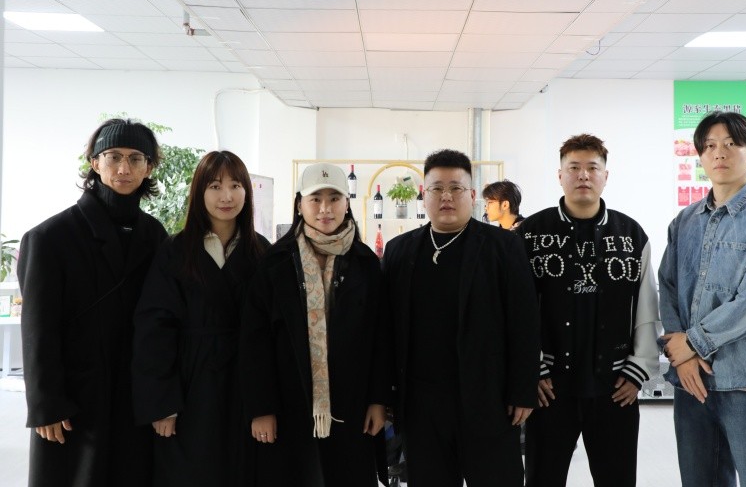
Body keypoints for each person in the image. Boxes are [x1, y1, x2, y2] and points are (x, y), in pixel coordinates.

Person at [17, 118, 169, 487]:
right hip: (74, 401)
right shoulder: (50, 237)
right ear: (94, 162)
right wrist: (45, 403)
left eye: (136, 158)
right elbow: (38, 328)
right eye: (113, 156)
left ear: (149, 168)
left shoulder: (155, 236)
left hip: (134, 396)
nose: (124, 169)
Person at [658, 111, 746, 487]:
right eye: (709, 146)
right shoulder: (685, 221)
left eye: (730, 144)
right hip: (692, 382)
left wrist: (691, 343)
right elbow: (667, 287)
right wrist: (682, 355)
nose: (718, 153)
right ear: (701, 156)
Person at [381, 149, 540, 487]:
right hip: (421, 406)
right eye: (437, 188)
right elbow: (386, 329)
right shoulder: (399, 250)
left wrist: (523, 389)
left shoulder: (503, 247)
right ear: (424, 195)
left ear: (471, 194)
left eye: (456, 188)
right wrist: (387, 394)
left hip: (489, 399)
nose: (446, 196)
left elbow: (524, 321)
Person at [518, 133, 661, 487]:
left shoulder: (631, 235)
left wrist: (639, 369)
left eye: (592, 168)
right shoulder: (529, 234)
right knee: (542, 478)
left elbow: (647, 306)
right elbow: (516, 310)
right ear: (560, 175)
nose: (583, 175)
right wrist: (530, 368)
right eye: (574, 167)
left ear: (605, 176)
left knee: (617, 478)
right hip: (549, 386)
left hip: (615, 384)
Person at [240, 163, 390, 486]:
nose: (325, 209)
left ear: (347, 204)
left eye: (334, 198)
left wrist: (378, 400)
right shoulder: (275, 263)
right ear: (299, 205)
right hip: (289, 405)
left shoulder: (366, 263)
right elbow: (255, 340)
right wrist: (261, 408)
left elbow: (381, 337)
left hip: (352, 406)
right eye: (315, 199)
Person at [132, 151, 269, 487]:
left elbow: (272, 333)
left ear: (247, 191)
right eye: (215, 186)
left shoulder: (262, 252)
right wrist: (163, 404)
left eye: (235, 185)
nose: (227, 196)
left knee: (244, 471)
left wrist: (266, 405)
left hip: (246, 384)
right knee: (190, 471)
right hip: (191, 385)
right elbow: (155, 328)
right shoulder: (175, 250)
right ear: (199, 192)